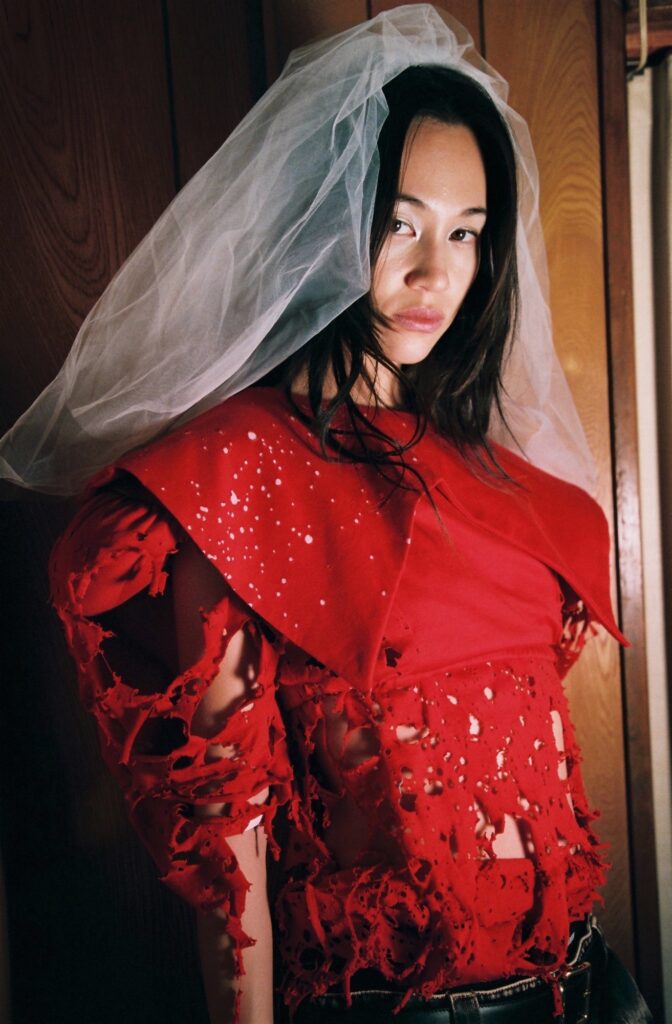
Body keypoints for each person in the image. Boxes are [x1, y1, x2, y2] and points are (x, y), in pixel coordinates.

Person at [1, 6, 654, 1023]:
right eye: (400, 224)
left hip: (589, 983)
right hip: (399, 1007)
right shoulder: (235, 469)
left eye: (466, 233)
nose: (436, 273)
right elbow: (233, 849)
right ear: (323, 222)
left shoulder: (493, 474)